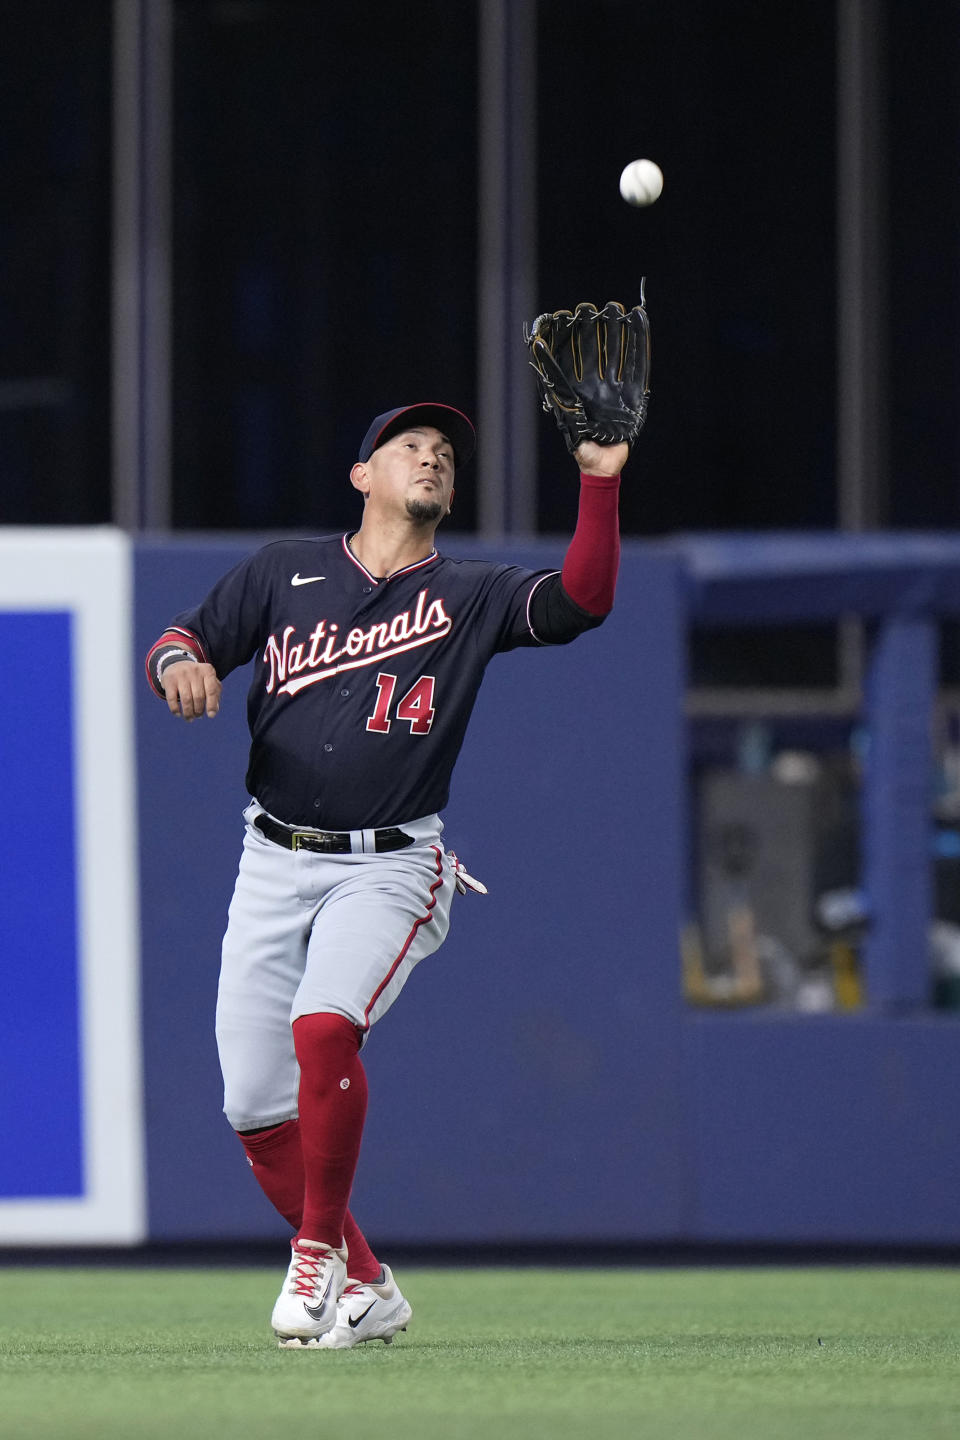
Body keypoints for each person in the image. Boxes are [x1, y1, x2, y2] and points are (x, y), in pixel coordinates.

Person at [145, 401, 627, 1349]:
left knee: (324, 1028)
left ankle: (317, 1257)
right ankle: (372, 1286)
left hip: (391, 862)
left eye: (446, 452)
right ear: (362, 474)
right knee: (252, 1102)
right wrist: (175, 664)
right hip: (272, 855)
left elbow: (583, 601)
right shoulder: (285, 571)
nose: (433, 458)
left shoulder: (471, 591)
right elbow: (185, 638)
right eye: (412, 445)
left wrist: (599, 479)